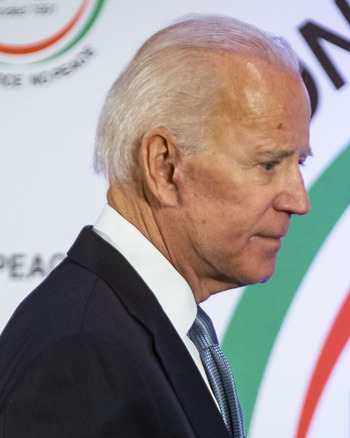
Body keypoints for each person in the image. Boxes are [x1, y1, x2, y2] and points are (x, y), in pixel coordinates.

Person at [0, 14, 311, 437]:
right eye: (268, 164)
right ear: (164, 167)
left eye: (300, 163)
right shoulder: (82, 354)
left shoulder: (137, 326)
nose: (299, 200)